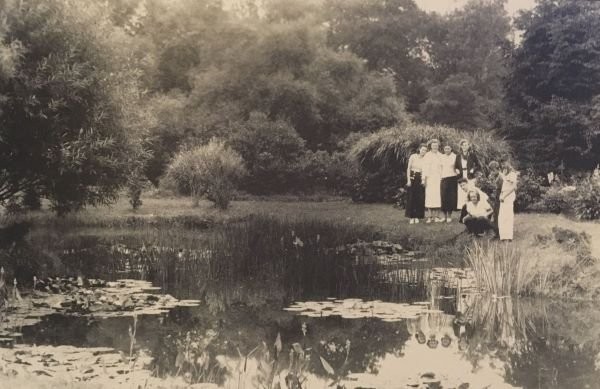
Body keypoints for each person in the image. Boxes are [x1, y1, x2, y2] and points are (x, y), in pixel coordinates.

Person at [455, 139, 480, 210]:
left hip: (470, 175)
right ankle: (463, 209)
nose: (464, 147)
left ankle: (472, 207)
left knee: (470, 190)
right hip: (461, 175)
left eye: (466, 145)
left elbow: (478, 165)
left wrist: (473, 170)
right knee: (461, 192)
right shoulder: (458, 156)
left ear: (468, 146)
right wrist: (456, 170)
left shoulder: (472, 155)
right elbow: (456, 166)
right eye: (463, 145)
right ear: (461, 147)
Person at [405, 144, 427, 224]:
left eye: (425, 150)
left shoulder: (425, 159)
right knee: (411, 197)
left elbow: (425, 170)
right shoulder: (413, 156)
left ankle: (417, 216)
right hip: (412, 177)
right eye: (422, 149)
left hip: (420, 178)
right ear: (419, 149)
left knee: (419, 198)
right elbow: (408, 168)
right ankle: (411, 217)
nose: (423, 151)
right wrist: (408, 180)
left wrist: (423, 180)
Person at [423, 139, 444, 223]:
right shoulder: (427, 155)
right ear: (431, 146)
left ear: (438, 146)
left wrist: (442, 177)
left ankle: (436, 217)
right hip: (430, 178)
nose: (435, 147)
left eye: (436, 145)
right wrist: (424, 179)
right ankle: (429, 217)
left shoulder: (441, 155)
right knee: (429, 197)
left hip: (439, 178)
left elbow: (443, 168)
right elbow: (424, 168)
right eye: (433, 145)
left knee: (438, 197)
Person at [498, 161, 518, 241]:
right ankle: (503, 236)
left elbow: (514, 187)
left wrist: (504, 196)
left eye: (504, 164)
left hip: (508, 196)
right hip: (503, 196)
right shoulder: (506, 174)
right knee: (502, 217)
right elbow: (505, 185)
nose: (503, 166)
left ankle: (509, 236)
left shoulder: (512, 174)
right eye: (502, 164)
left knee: (508, 216)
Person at [440, 144, 458, 223]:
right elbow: (439, 167)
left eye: (448, 148)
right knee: (443, 196)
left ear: (451, 149)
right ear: (444, 149)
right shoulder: (442, 156)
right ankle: (444, 216)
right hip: (443, 178)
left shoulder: (455, 156)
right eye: (445, 148)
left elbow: (457, 167)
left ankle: (449, 216)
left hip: (452, 178)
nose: (447, 150)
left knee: (451, 197)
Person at [487, 161, 502, 225]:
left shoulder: (500, 177)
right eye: (491, 171)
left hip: (500, 195)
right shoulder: (493, 176)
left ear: (497, 169)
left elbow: (498, 187)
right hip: (494, 196)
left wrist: (492, 182)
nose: (491, 172)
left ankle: (497, 225)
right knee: (493, 210)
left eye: (493, 170)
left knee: (497, 211)